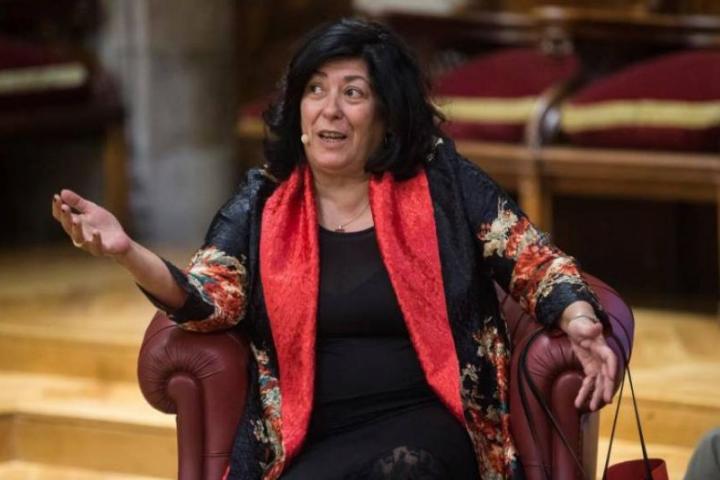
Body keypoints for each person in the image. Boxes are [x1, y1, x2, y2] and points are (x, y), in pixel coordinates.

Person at [51, 18, 618, 480]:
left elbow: (530, 258)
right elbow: (207, 298)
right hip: (311, 434)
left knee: (408, 468)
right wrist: (125, 249)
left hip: (430, 421)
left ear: (386, 115)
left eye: (353, 93)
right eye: (316, 89)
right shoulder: (264, 201)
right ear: (297, 109)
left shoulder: (440, 181)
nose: (330, 109)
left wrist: (578, 317)